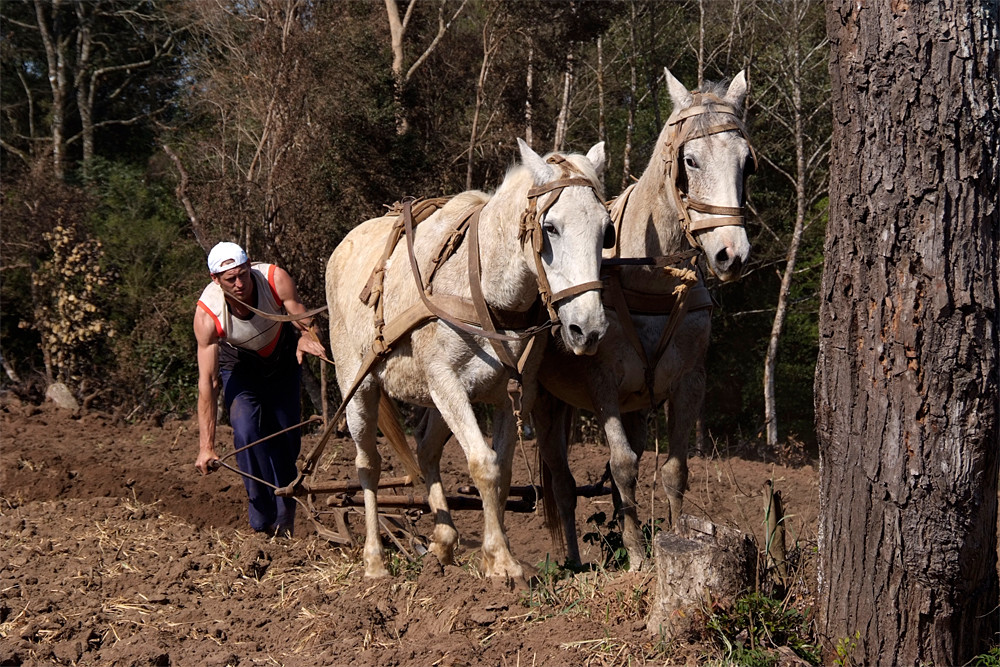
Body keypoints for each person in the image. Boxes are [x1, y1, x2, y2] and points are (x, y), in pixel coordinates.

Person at [194, 241, 327, 537]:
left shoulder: (274, 279)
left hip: (282, 363)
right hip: (241, 369)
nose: (240, 284)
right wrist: (206, 445)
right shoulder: (208, 313)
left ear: (249, 265)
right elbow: (209, 382)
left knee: (286, 443)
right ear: (215, 279)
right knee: (246, 432)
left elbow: (304, 321)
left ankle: (285, 519)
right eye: (230, 279)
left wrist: (308, 336)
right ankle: (262, 521)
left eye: (243, 274)